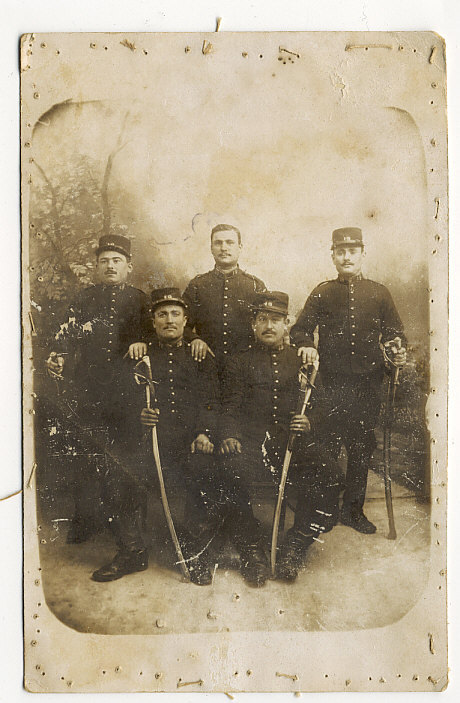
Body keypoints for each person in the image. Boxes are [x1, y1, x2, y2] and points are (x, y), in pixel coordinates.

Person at [133, 288, 269, 587]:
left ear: (185, 320)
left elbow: (211, 399)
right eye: (162, 315)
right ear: (153, 321)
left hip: (193, 438)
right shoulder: (143, 357)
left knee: (210, 470)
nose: (169, 320)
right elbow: (125, 398)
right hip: (155, 441)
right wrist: (140, 417)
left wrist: (204, 432)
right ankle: (183, 550)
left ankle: (214, 550)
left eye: (175, 314)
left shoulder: (200, 354)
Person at [290, 227, 407, 534]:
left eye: (352, 251)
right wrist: (306, 345)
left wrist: (395, 348)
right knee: (327, 444)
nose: (346, 257)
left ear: (362, 254)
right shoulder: (322, 291)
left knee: (361, 446)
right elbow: (300, 329)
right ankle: (324, 508)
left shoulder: (379, 292)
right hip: (329, 385)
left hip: (367, 384)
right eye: (340, 252)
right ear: (333, 255)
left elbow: (395, 331)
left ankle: (353, 511)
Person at [220, 291, 339, 583]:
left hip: (292, 445)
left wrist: (309, 421)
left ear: (287, 324)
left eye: (276, 320)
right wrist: (229, 435)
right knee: (225, 470)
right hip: (250, 445)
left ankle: (296, 545)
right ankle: (251, 550)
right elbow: (228, 406)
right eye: (262, 319)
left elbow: (323, 406)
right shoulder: (238, 361)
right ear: (253, 325)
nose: (269, 326)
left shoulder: (302, 362)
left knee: (330, 473)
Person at [45, 234, 152, 544]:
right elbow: (65, 334)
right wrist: (58, 356)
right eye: (104, 261)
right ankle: (86, 519)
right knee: (87, 454)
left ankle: (132, 524)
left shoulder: (142, 300)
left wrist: (143, 343)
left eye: (116, 261)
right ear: (96, 266)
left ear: (128, 267)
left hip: (128, 392)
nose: (110, 266)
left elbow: (155, 339)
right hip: (88, 388)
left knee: (128, 456)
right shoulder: (84, 299)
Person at [183, 223, 266, 372]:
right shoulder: (198, 284)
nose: (223, 248)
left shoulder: (255, 285)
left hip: (246, 368)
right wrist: (195, 339)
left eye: (230, 242)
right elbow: (182, 324)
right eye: (218, 243)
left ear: (240, 247)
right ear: (211, 249)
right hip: (207, 365)